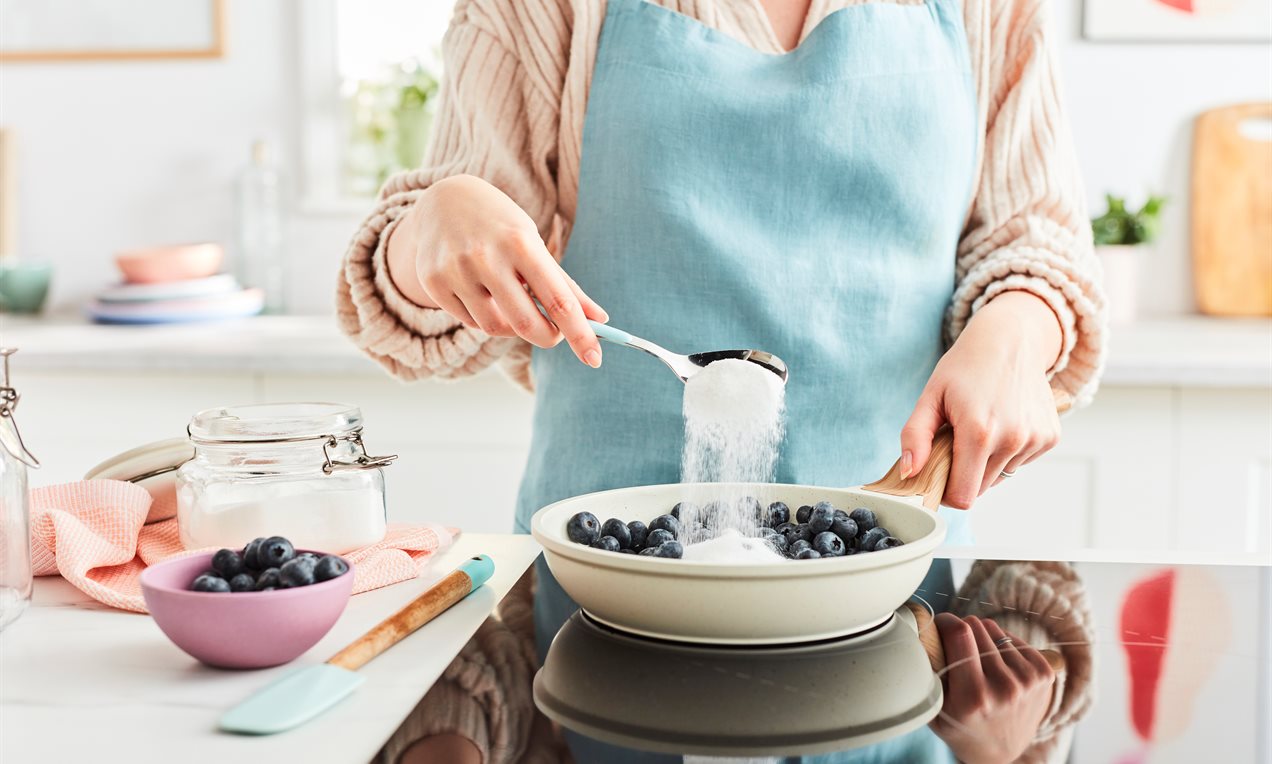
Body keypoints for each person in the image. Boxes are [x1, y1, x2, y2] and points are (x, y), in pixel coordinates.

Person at [338, 0, 1106, 759]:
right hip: (602, 610)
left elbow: (1036, 240)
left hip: (898, 609)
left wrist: (1017, 325)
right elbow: (431, 304)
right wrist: (430, 227)